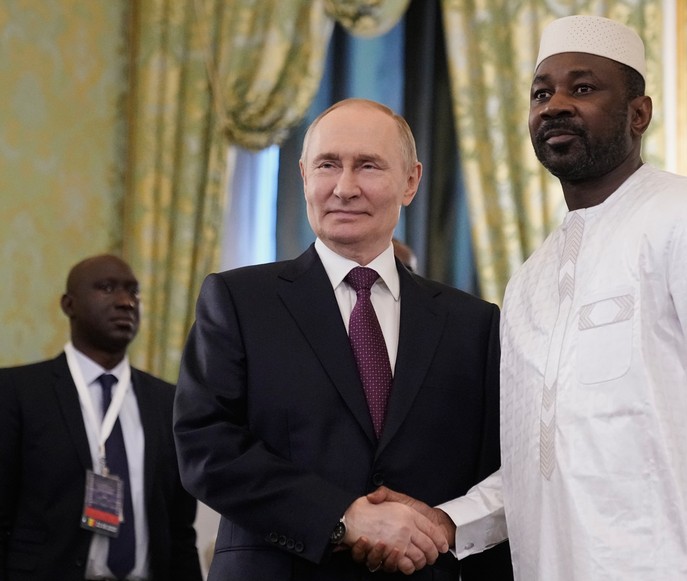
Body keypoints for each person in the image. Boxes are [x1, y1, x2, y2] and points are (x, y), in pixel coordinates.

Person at [360, 15, 687, 581]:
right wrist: (448, 521)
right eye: (541, 93)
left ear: (638, 114)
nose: (555, 106)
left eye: (584, 88)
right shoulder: (530, 281)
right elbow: (538, 464)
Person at [172, 98, 512, 580]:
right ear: (303, 175)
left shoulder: (474, 324)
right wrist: (342, 517)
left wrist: (444, 523)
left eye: (368, 166)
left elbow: (503, 469)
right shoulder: (239, 301)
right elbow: (206, 447)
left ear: (411, 181)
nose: (344, 187)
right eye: (327, 165)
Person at [0, 254, 202, 581]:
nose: (126, 302)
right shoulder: (18, 392)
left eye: (133, 292)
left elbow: (179, 528)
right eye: (107, 288)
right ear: (69, 304)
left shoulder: (169, 401)